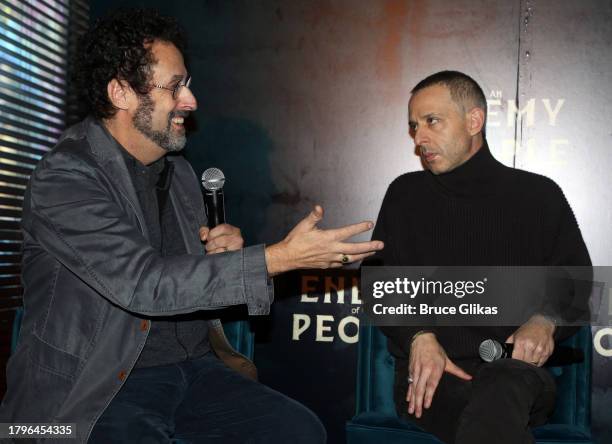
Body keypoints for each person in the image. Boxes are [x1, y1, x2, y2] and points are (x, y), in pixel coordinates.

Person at [0, 9, 384, 443]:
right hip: (102, 384)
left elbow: (187, 283)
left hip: (193, 370)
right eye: (175, 86)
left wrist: (225, 256)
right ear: (121, 93)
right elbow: (144, 284)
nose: (191, 100)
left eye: (188, 84)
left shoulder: (180, 174)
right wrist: (274, 259)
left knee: (299, 431)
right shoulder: (66, 177)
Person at [368, 70, 591, 444]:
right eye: (413, 126)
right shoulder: (405, 195)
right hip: (435, 377)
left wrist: (544, 319)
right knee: (484, 409)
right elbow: (379, 285)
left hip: (517, 375)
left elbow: (578, 280)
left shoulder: (539, 195)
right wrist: (419, 336)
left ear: (474, 121)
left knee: (502, 385)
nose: (419, 138)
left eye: (432, 121)